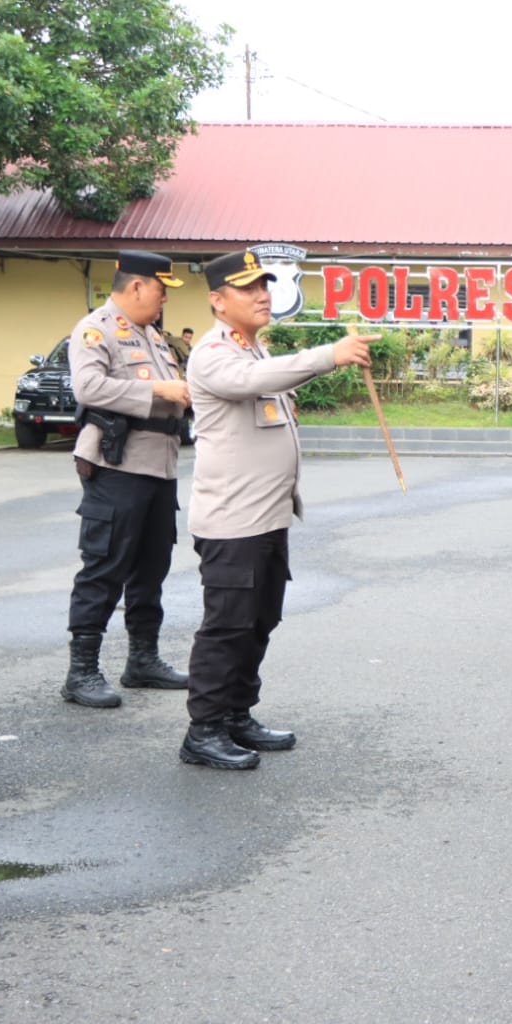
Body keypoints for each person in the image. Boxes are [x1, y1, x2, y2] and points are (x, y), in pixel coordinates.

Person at [179, 251, 377, 768]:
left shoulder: (253, 349)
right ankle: (203, 730)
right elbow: (255, 382)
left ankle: (237, 714)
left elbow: (272, 378)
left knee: (258, 621)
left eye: (264, 285)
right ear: (218, 301)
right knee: (226, 627)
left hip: (267, 518)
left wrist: (328, 361)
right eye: (248, 288)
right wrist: (329, 353)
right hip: (232, 522)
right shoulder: (213, 354)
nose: (263, 295)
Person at [61, 251, 192, 708]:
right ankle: (81, 672)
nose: (162, 301)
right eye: (160, 290)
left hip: (159, 467)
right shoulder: (97, 329)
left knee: (151, 569)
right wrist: (158, 389)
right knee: (103, 567)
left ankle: (143, 660)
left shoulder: (152, 336)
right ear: (137, 286)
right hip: (118, 467)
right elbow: (88, 388)